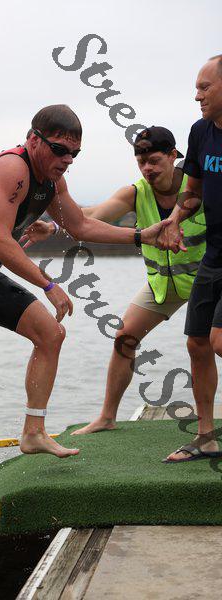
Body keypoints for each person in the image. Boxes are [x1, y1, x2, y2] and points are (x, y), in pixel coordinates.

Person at [0, 104, 169, 507]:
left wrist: (141, 236)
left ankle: (33, 432)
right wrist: (48, 284)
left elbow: (80, 225)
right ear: (34, 140)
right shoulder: (11, 170)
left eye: (74, 154)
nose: (66, 160)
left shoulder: (53, 182)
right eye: (58, 150)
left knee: (51, 334)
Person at [21, 126, 206, 435]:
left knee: (208, 344)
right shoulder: (136, 192)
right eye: (141, 162)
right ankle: (107, 417)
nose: (147, 169)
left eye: (155, 161)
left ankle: (205, 427)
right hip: (164, 284)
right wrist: (53, 228)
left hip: (207, 280)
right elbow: (92, 215)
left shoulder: (197, 185)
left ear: (173, 156)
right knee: (124, 338)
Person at [159, 55, 222, 462]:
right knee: (197, 342)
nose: (197, 95)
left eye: (204, 87)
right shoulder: (201, 132)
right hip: (215, 253)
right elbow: (193, 191)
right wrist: (175, 219)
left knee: (219, 340)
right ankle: (206, 437)